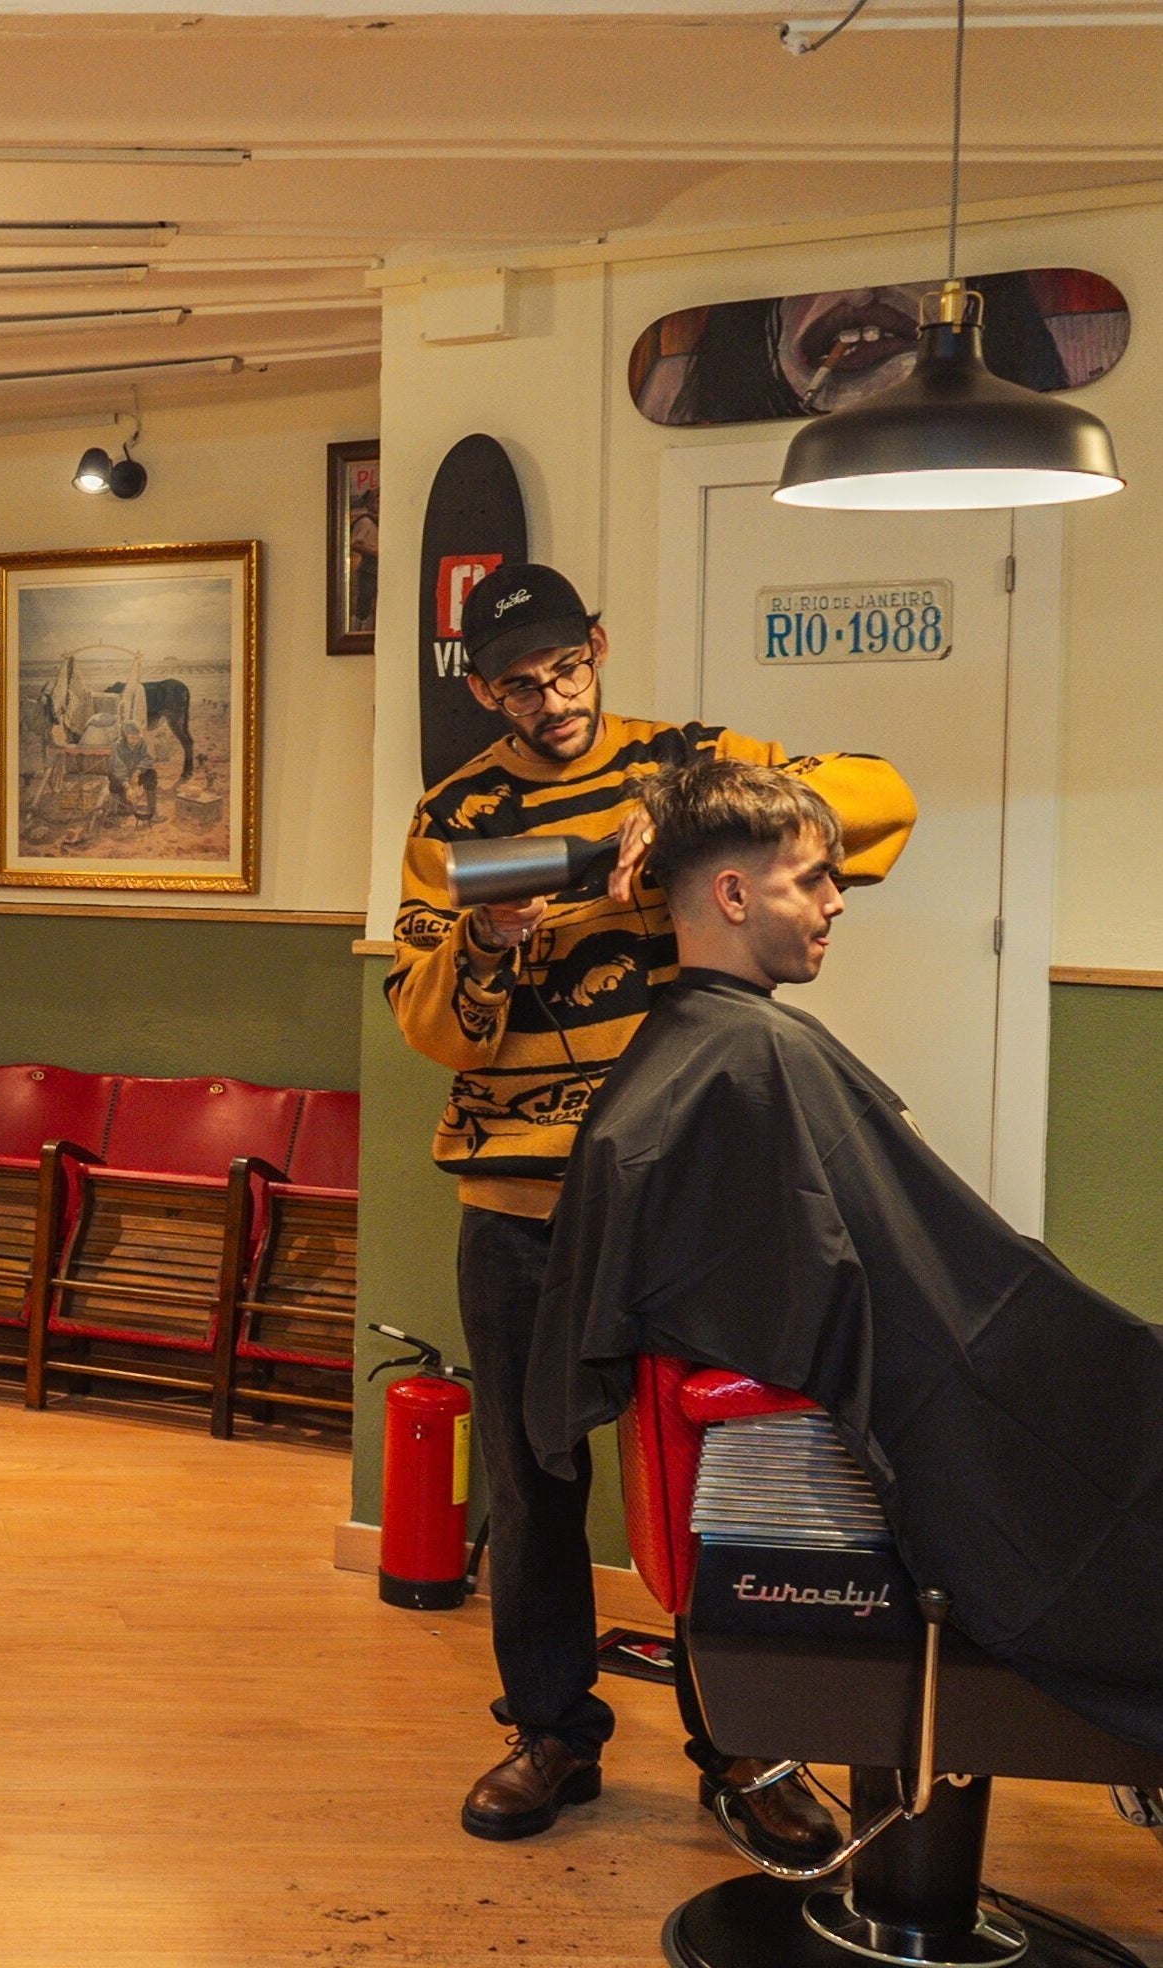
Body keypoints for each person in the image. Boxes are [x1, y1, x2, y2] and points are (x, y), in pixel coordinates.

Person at [385, 561, 917, 1850]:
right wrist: (494, 939)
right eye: (520, 681)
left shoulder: (690, 757)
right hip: (521, 1199)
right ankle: (554, 1732)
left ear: (599, 648)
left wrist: (684, 822)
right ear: (480, 687)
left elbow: (882, 801)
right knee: (531, 1477)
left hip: (687, 1190)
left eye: (570, 667)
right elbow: (427, 1025)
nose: (553, 697)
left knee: (718, 1479)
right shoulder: (454, 814)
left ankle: (744, 1749)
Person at [532, 760, 1163, 1754]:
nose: (837, 902)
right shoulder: (749, 1059)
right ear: (733, 895)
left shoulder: (711, 1057)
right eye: (813, 879)